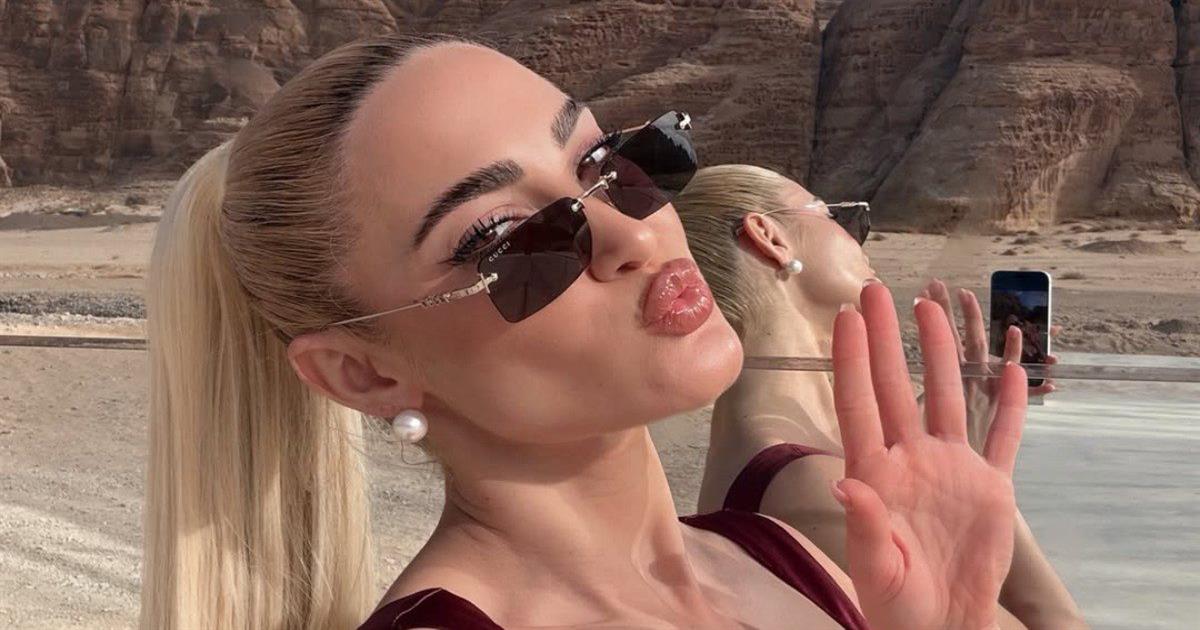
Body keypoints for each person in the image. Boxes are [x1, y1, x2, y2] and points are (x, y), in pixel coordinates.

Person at [143, 35, 1032, 629]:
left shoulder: (785, 556)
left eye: (608, 162)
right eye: (508, 238)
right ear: (363, 374)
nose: (630, 233)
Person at [675, 164, 1086, 629]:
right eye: (838, 216)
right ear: (770, 237)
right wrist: (985, 480)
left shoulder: (770, 450)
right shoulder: (814, 484)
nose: (859, 241)